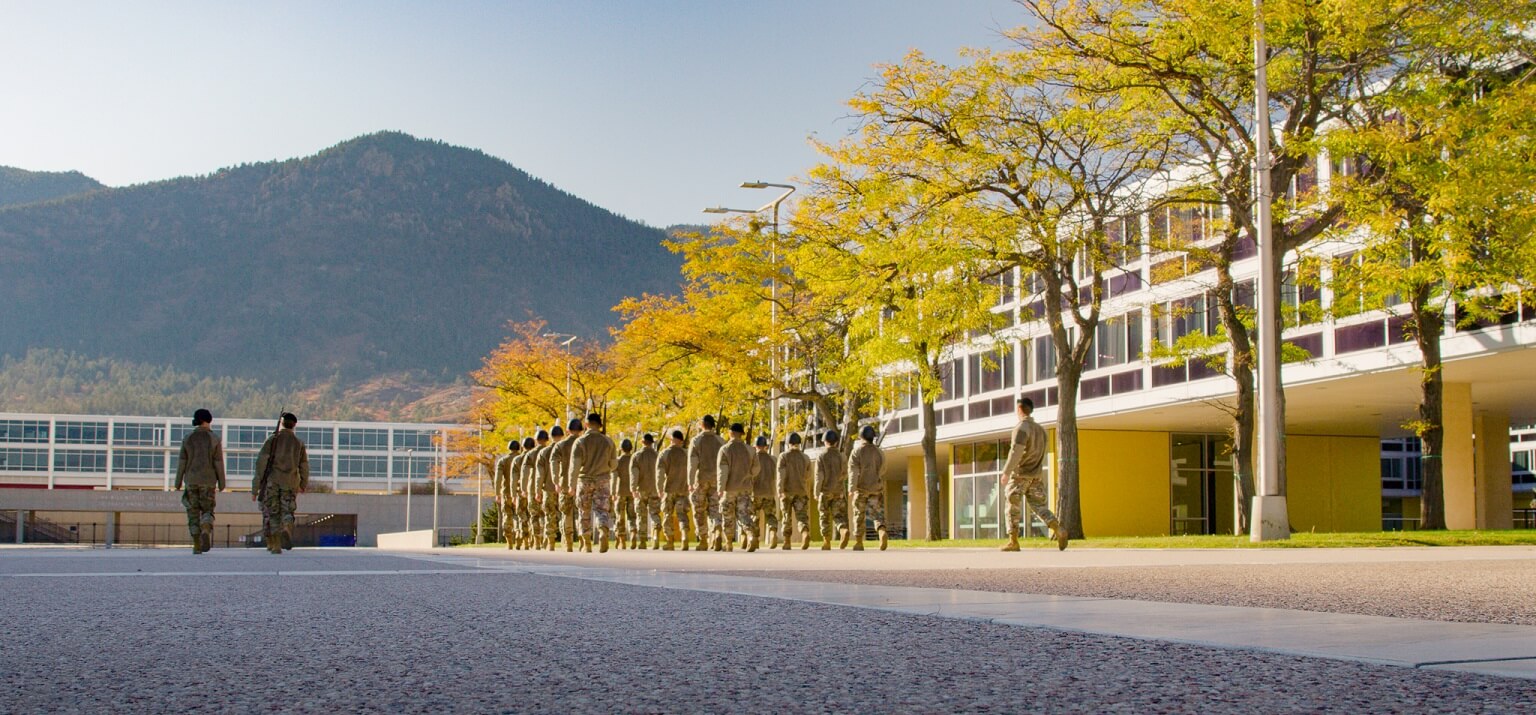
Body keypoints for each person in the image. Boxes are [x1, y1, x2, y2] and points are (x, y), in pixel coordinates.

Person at [1002, 397, 1069, 551]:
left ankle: (1013, 541)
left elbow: (1016, 452)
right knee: (1039, 506)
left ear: (1019, 409)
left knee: (1012, 507)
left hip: (1020, 475)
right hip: (1036, 476)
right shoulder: (1041, 430)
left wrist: (1006, 472)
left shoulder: (1021, 428)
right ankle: (1058, 529)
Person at [253, 412, 309, 554]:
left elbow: (261, 463)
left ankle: (276, 545)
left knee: (273, 513)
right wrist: (303, 484)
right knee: (287, 510)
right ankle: (287, 527)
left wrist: (255, 487)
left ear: (281, 423)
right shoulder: (298, 443)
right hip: (290, 482)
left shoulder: (272, 439)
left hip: (272, 481)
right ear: (294, 425)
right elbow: (304, 466)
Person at [174, 408, 226, 554]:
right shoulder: (214, 439)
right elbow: (218, 462)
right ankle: (206, 526)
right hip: (208, 481)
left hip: (191, 480)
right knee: (207, 510)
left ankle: (197, 544)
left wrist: (177, 482)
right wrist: (222, 483)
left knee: (192, 512)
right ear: (209, 420)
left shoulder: (188, 438)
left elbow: (182, 462)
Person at [571, 412, 618, 552]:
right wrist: (604, 468)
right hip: (602, 479)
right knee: (602, 509)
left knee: (583, 511)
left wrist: (572, 485)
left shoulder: (580, 442)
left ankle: (586, 543)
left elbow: (575, 466)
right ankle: (603, 530)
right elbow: (614, 464)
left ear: (586, 424)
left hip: (584, 479)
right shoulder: (608, 441)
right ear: (600, 426)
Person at [715, 423, 759, 552]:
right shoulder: (751, 450)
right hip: (745, 488)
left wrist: (720, 488)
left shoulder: (724, 449)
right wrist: (749, 475)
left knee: (727, 516)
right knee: (744, 514)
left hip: (730, 488)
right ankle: (750, 535)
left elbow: (722, 471)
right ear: (741, 434)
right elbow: (757, 468)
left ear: (730, 433)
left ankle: (728, 543)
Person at [687, 415, 725, 551]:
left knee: (699, 510)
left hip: (701, 479)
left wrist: (690, 482)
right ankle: (717, 529)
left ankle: (703, 539)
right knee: (715, 508)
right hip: (716, 480)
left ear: (702, 424)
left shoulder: (696, 441)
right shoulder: (721, 441)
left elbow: (692, 463)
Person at [847, 424, 888, 551]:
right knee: (877, 515)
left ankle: (859, 542)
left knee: (859, 515)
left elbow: (853, 471)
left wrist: (851, 488)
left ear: (860, 437)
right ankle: (881, 531)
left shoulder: (856, 452)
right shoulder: (879, 452)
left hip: (861, 489)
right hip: (876, 488)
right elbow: (883, 469)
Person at [776, 432, 812, 550]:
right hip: (801, 491)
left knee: (786, 517)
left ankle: (787, 542)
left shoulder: (783, 456)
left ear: (788, 443)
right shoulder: (805, 457)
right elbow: (808, 475)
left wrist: (779, 490)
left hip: (787, 492)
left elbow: (781, 475)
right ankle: (805, 533)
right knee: (802, 516)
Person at [814, 429, 848, 550]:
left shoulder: (821, 456)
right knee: (838, 516)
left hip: (825, 491)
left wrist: (816, 492)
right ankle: (843, 529)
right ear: (836, 442)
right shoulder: (842, 456)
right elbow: (845, 474)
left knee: (824, 516)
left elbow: (819, 476)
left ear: (825, 442)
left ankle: (826, 542)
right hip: (838, 491)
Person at [656, 430, 690, 550]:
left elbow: (660, 473)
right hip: (683, 488)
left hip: (668, 489)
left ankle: (670, 541)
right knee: (682, 514)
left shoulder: (664, 453)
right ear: (681, 441)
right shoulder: (687, 454)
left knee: (667, 514)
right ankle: (684, 536)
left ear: (671, 439)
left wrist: (659, 489)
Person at [549, 422, 579, 552]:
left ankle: (568, 542)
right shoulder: (584, 443)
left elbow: (554, 463)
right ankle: (585, 541)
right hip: (582, 483)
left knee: (566, 513)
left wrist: (556, 481)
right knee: (582, 513)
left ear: (567, 430)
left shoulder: (560, 446)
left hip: (565, 483)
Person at [630, 433, 661, 549]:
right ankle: (656, 532)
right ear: (652, 443)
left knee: (641, 515)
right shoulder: (657, 456)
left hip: (641, 488)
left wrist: (633, 488)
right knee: (654, 513)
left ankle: (642, 540)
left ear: (642, 442)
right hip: (654, 488)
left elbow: (634, 473)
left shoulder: (636, 456)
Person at [532, 430, 558, 550]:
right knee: (566, 513)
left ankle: (549, 541)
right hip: (564, 487)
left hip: (548, 488)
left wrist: (537, 490)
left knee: (549, 514)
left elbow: (539, 474)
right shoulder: (563, 448)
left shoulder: (542, 453)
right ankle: (569, 542)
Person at [752, 435, 779, 549]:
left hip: (755, 492)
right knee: (771, 516)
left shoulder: (752, 459)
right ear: (766, 446)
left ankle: (755, 539)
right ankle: (772, 532)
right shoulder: (773, 459)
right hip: (769, 492)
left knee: (754, 517)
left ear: (755, 446)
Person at [612, 438, 636, 549]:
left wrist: (613, 492)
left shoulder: (618, 461)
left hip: (620, 491)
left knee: (619, 517)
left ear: (621, 448)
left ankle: (621, 540)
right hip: (632, 492)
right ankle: (633, 534)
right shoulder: (635, 459)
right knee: (632, 516)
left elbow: (614, 477)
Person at [497, 440, 521, 549]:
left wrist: (497, 493)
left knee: (507, 515)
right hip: (520, 492)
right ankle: (520, 538)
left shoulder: (503, 461)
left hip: (506, 492)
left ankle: (509, 542)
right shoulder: (523, 459)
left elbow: (498, 478)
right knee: (520, 516)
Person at [519, 437, 541, 549]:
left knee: (531, 515)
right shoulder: (545, 451)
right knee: (545, 514)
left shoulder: (519, 458)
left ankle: (531, 541)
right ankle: (545, 540)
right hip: (546, 487)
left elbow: (523, 474)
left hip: (531, 488)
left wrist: (523, 489)